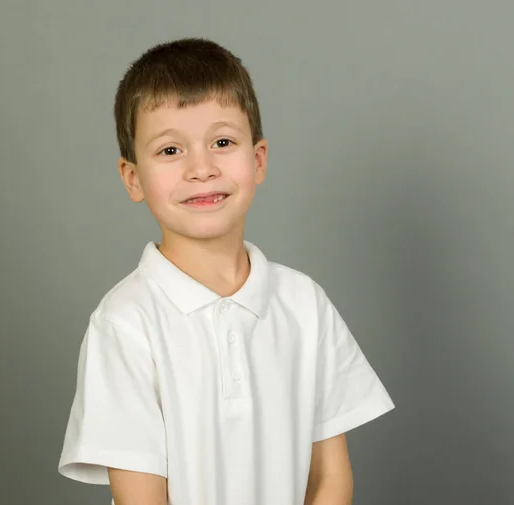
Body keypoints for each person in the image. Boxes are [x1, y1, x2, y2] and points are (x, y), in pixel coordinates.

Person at [58, 37, 395, 505]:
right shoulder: (124, 324)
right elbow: (141, 497)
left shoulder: (303, 304)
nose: (201, 168)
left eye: (222, 142)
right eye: (171, 150)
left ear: (257, 160)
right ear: (133, 178)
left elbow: (330, 479)